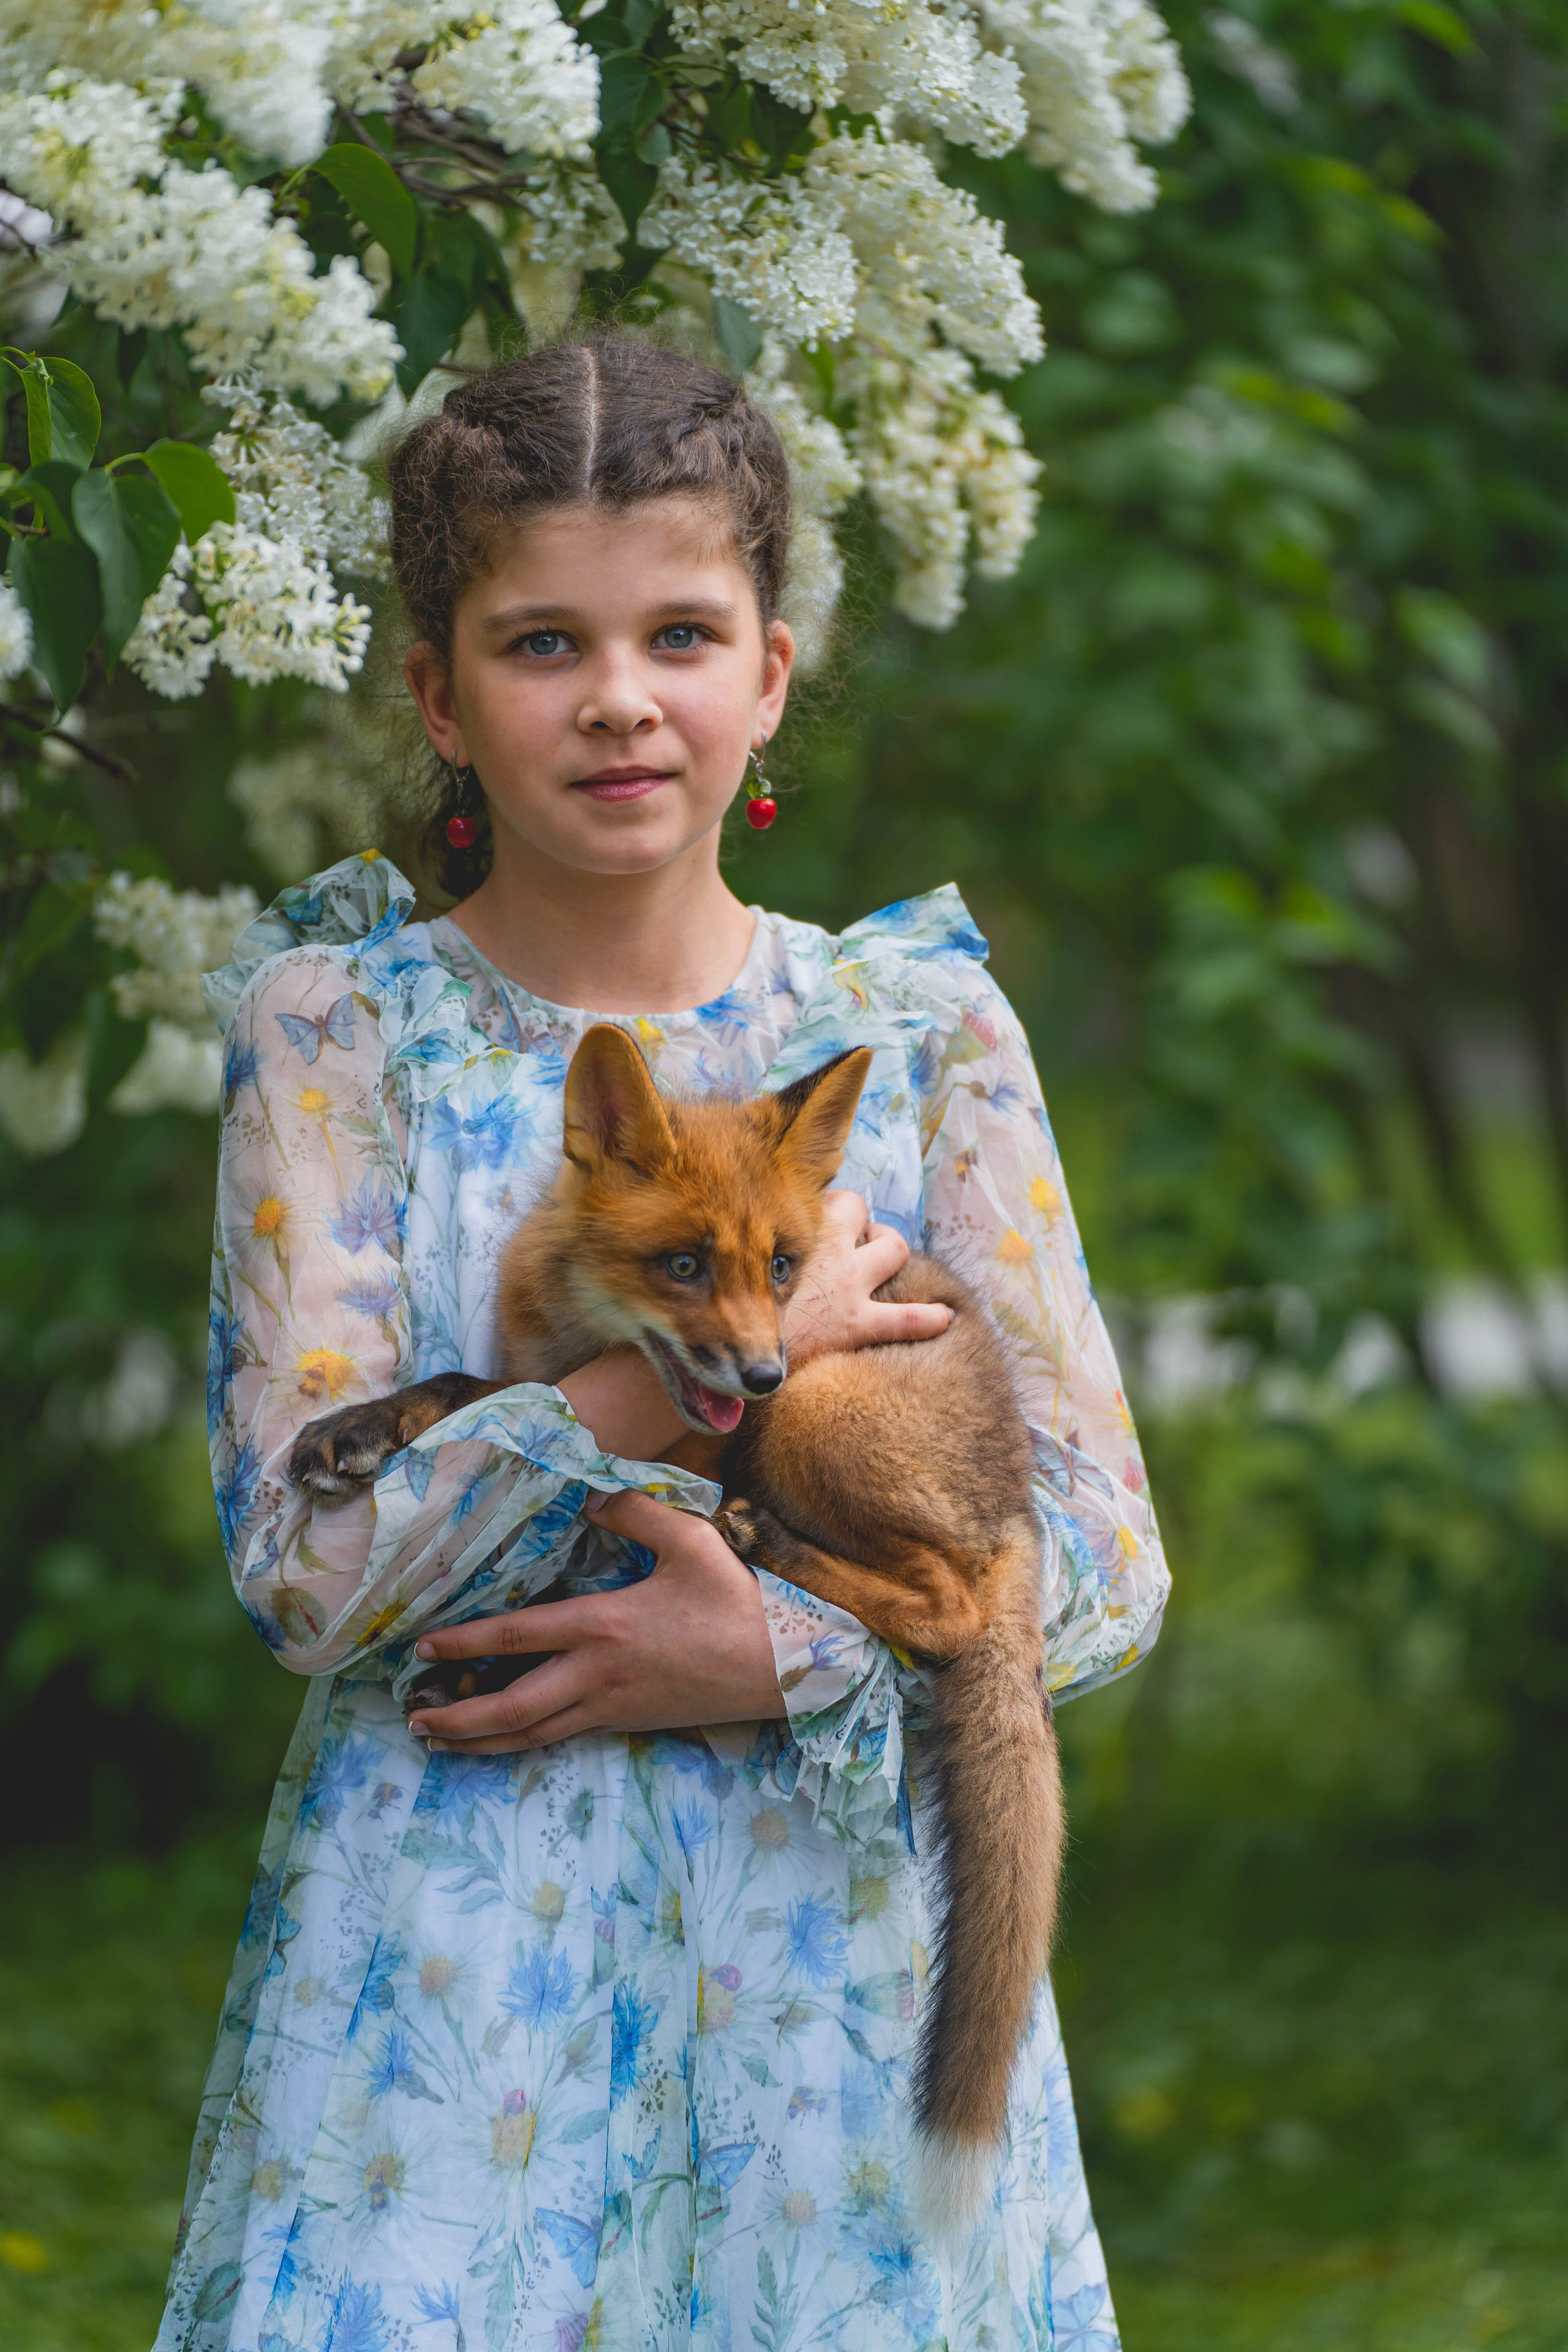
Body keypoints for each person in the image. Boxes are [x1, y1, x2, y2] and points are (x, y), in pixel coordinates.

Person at [158, 334, 1169, 2352]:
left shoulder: (920, 1037)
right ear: (439, 696)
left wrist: (779, 1650)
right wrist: (656, 1382)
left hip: (838, 1970)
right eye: (543, 642)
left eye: (681, 635)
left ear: (770, 673)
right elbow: (312, 1573)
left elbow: (1106, 1561)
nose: (619, 697)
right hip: (453, 2000)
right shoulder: (336, 1035)